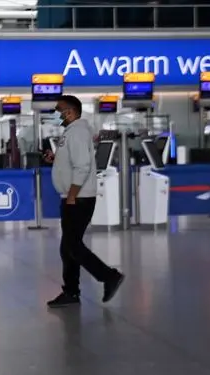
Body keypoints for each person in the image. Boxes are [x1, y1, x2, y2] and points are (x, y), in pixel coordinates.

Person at [44, 95, 125, 308]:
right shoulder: (72, 132)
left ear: (69, 112)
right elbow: (75, 161)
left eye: (58, 110)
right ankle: (71, 292)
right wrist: (56, 158)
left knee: (72, 246)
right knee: (68, 247)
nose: (56, 114)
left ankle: (109, 276)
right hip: (74, 196)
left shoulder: (77, 132)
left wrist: (72, 195)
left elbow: (83, 166)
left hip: (78, 198)